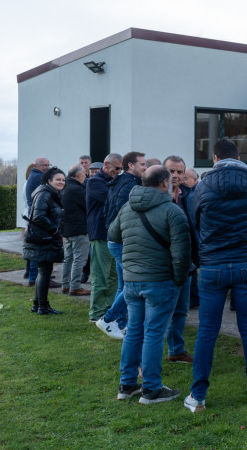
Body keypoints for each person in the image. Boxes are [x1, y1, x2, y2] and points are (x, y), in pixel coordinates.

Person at [184, 139, 247, 412]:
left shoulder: (202, 186)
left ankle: (198, 396)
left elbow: (196, 221)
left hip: (213, 264)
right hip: (246, 263)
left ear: (215, 158)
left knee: (207, 331)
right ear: (239, 157)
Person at [110, 165, 191, 404]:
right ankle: (151, 388)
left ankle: (127, 385)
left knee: (134, 331)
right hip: (159, 281)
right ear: (164, 183)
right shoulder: (172, 211)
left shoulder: (127, 207)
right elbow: (182, 254)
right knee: (154, 332)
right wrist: (178, 279)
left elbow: (113, 237)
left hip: (132, 281)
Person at [97, 151, 147, 340]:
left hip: (115, 239)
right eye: (142, 164)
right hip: (122, 241)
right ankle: (108, 319)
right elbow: (123, 212)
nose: (145, 167)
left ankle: (121, 323)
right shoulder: (129, 184)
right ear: (130, 166)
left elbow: (107, 210)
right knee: (133, 283)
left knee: (124, 284)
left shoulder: (120, 182)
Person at [163, 155, 199, 363]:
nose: (175, 176)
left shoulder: (190, 196)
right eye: (171, 171)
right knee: (162, 313)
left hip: (186, 263)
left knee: (181, 311)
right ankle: (145, 362)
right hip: (164, 265)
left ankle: (176, 349)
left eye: (179, 172)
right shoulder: (158, 197)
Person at [86, 154, 123, 329]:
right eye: (116, 168)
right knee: (101, 275)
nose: (118, 172)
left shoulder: (110, 181)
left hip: (112, 234)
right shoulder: (95, 182)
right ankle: (96, 313)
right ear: (106, 165)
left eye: (120, 169)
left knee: (114, 276)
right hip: (100, 234)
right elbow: (112, 199)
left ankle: (109, 310)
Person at [23, 167, 66, 315]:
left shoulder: (49, 193)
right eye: (58, 179)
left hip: (44, 238)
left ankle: (37, 304)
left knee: (43, 272)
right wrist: (55, 231)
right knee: (45, 272)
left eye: (63, 180)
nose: (61, 182)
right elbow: (38, 217)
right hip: (43, 238)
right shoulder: (44, 194)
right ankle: (43, 307)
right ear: (49, 180)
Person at [60, 164, 90, 296]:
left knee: (69, 258)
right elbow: (88, 205)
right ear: (78, 175)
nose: (86, 175)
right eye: (84, 173)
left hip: (68, 228)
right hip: (79, 228)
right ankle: (75, 286)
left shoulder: (65, 187)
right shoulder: (77, 189)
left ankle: (65, 285)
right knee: (79, 258)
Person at [24, 157, 51, 285]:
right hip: (37, 217)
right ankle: (35, 278)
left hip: (34, 215)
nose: (46, 167)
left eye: (47, 165)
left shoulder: (34, 175)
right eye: (43, 165)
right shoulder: (38, 178)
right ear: (35, 165)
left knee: (38, 248)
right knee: (39, 249)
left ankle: (35, 276)